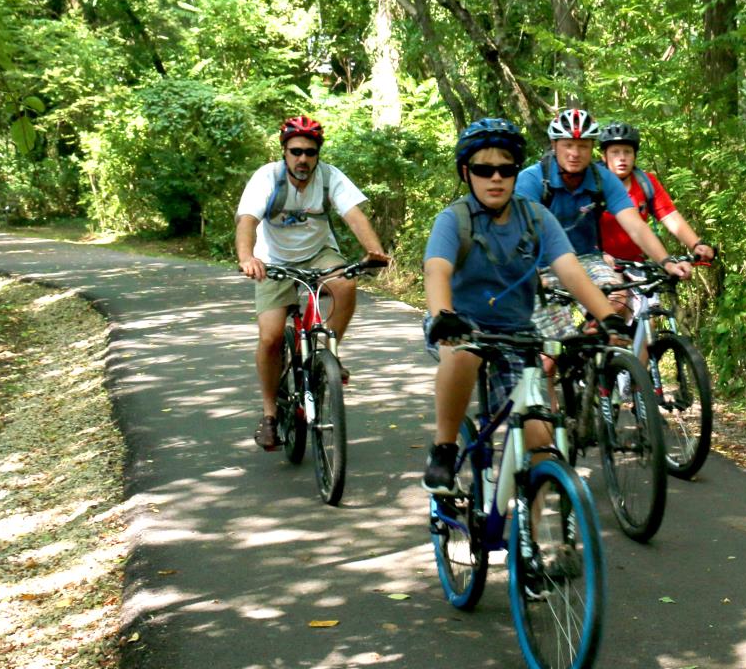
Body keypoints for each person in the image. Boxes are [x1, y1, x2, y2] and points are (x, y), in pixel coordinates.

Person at [420, 118, 628, 495]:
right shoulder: (454, 219)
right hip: (461, 324)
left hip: (517, 333)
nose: (495, 178)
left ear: (517, 172)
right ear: (467, 174)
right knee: (462, 354)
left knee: (540, 443)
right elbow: (436, 270)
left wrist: (609, 317)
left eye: (506, 169)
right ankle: (445, 447)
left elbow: (570, 271)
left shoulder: (536, 218)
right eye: (484, 170)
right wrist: (443, 318)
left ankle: (531, 549)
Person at [235, 115, 390, 451]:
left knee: (346, 284)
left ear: (318, 153)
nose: (302, 159)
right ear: (285, 152)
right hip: (273, 260)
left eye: (310, 152)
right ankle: (269, 415)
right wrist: (248, 258)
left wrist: (374, 251)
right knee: (271, 337)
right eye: (295, 152)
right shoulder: (268, 178)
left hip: (319, 254)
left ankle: (326, 355)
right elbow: (247, 220)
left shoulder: (329, 178)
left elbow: (354, 215)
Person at [515, 108, 690, 297]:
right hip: (539, 264)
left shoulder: (603, 180)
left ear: (592, 148)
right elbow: (516, 232)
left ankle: (597, 326)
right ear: (554, 145)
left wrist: (667, 262)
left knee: (617, 300)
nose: (575, 153)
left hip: (587, 259)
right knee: (550, 315)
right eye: (568, 145)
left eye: (583, 146)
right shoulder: (532, 179)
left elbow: (636, 227)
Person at [596, 122, 717, 267]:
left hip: (635, 264)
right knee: (617, 291)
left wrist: (696, 244)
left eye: (627, 151)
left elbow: (670, 216)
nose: (622, 157)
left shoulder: (646, 182)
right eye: (615, 152)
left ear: (634, 156)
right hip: (598, 261)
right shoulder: (593, 184)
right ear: (604, 157)